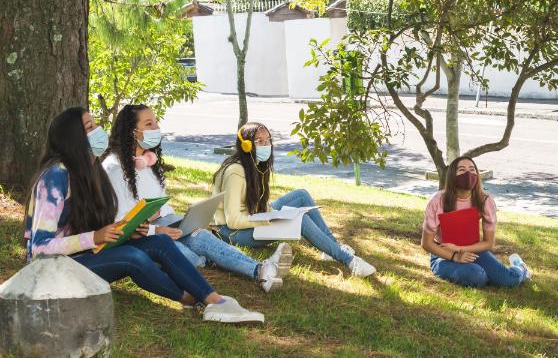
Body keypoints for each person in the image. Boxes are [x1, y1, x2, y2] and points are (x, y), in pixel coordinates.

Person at [24, 107, 263, 323]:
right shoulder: (55, 177)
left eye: (96, 124)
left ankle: (214, 300)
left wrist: (127, 229)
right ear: (72, 138)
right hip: (51, 269)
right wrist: (95, 237)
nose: (98, 130)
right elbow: (39, 248)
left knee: (158, 241)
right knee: (132, 257)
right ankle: (192, 299)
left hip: (85, 255)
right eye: (90, 127)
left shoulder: (90, 171)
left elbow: (93, 226)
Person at [101, 104, 291, 293]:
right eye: (149, 124)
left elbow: (163, 207)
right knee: (187, 255)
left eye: (156, 122)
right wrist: (156, 230)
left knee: (201, 236)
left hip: (164, 228)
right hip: (138, 238)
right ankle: (210, 260)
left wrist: (179, 225)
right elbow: (121, 225)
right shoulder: (114, 168)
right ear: (131, 131)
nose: (156, 129)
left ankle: (261, 270)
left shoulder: (149, 162)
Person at [211, 122, 376, 278]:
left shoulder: (256, 165)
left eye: (268, 140)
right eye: (259, 141)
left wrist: (269, 214)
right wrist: (268, 220)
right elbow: (233, 220)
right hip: (232, 232)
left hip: (253, 217)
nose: (266, 145)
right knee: (299, 219)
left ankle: (331, 246)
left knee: (301, 196)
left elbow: (254, 202)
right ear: (246, 145)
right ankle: (349, 261)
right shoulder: (235, 172)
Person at [421, 156, 530, 287]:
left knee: (509, 280)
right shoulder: (438, 201)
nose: (468, 174)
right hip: (443, 256)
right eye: (461, 170)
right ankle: (485, 274)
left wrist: (460, 249)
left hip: (474, 250)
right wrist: (455, 256)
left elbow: (489, 243)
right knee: (477, 276)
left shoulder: (484, 200)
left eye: (472, 169)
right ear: (452, 176)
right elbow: (426, 243)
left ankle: (521, 268)